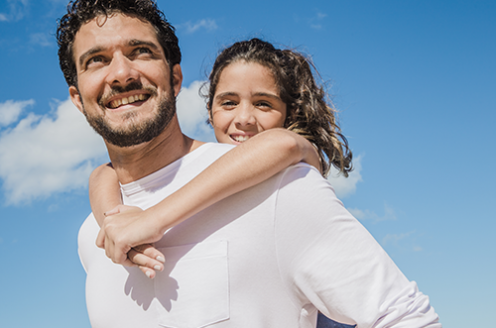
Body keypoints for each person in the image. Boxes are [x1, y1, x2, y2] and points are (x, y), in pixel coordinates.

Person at [57, 0, 442, 327]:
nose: (122, 73)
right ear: (76, 96)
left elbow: (404, 316)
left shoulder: (274, 186)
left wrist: (155, 217)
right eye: (97, 60)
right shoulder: (93, 235)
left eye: (140, 51)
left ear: (175, 78)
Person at [88, 38, 352, 279]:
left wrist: (152, 220)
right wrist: (116, 228)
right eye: (229, 103)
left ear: (289, 114)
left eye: (263, 104)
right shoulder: (205, 162)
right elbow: (104, 173)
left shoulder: (295, 166)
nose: (244, 118)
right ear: (210, 110)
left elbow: (280, 143)